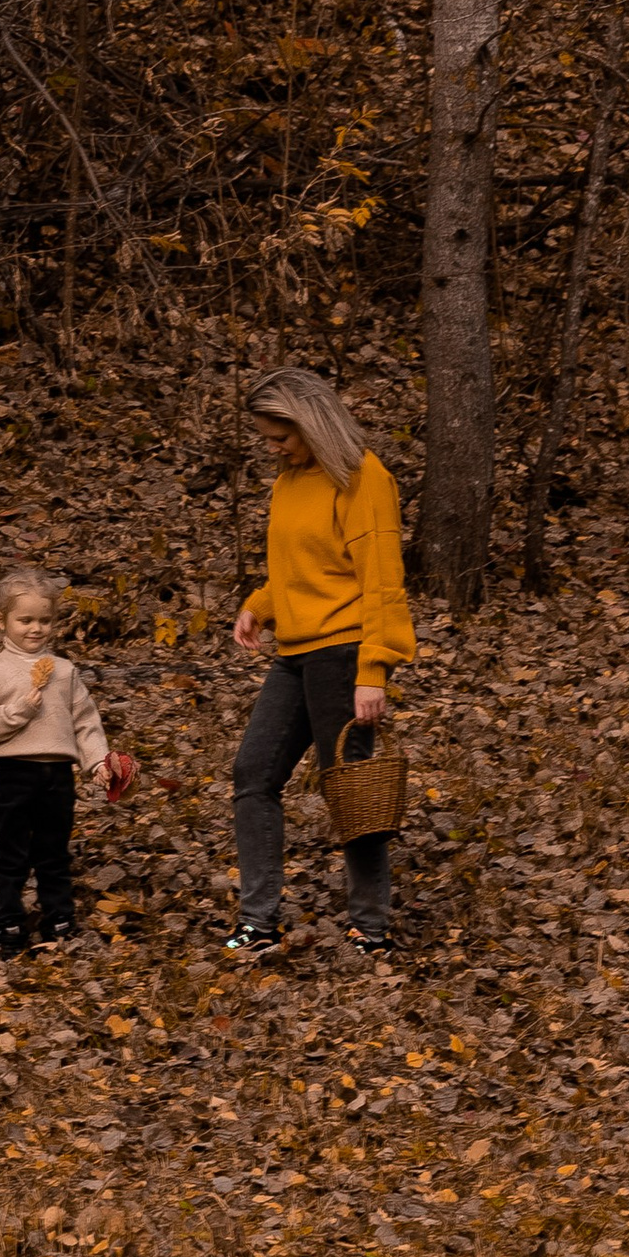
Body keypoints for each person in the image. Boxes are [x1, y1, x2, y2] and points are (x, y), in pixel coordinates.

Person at [227, 366, 414, 956]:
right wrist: (259, 605)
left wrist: (374, 670)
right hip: (294, 653)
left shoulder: (363, 478)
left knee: (351, 789)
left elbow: (383, 582)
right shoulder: (289, 480)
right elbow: (298, 567)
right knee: (253, 774)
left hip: (343, 653)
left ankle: (371, 928)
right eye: (266, 439)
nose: (273, 449)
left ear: (310, 421)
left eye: (280, 437)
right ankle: (259, 921)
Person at [0, 568, 131, 955]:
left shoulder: (66, 672)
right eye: (25, 620)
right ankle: (7, 923)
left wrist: (98, 762)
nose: (35, 629)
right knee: (11, 854)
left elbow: (86, 723)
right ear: (1, 622)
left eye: (45, 620)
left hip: (57, 775)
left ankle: (59, 918)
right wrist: (18, 711)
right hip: (13, 773)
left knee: (54, 851)